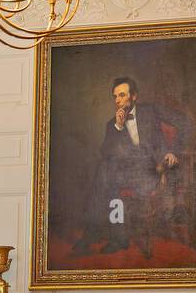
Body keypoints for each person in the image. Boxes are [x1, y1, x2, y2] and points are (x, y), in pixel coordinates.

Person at [73, 76, 183, 258]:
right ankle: (116, 238)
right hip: (125, 174)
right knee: (106, 171)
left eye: (122, 95)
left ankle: (93, 234)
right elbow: (105, 153)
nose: (118, 100)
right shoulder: (112, 124)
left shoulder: (151, 111)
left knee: (106, 174)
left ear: (134, 96)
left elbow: (184, 122)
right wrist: (118, 126)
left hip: (152, 171)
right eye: (115, 96)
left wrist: (173, 151)